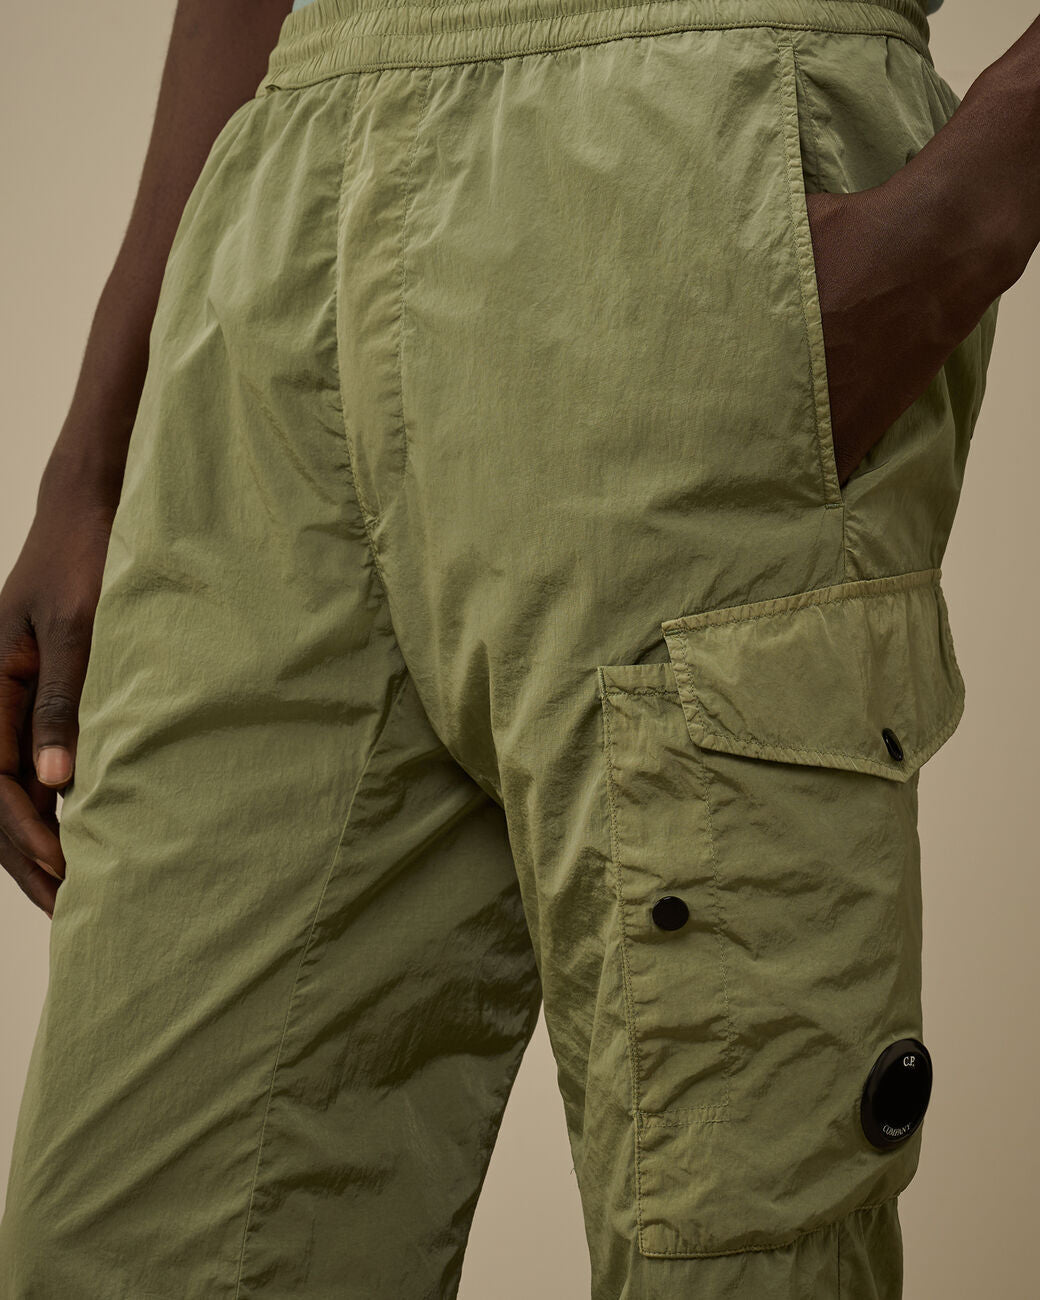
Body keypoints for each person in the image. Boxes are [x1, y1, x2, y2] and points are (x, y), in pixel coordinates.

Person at [0, 0, 1028, 1295]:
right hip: (278, 226)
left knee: (728, 1235)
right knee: (126, 1243)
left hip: (693, 149)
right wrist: (94, 455)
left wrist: (968, 214)